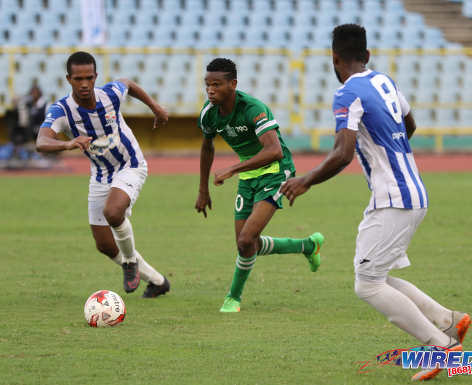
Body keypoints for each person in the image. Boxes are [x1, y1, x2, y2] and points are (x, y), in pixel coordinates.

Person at [280, 25, 471, 381]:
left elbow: (342, 153)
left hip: (395, 198)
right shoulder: (385, 82)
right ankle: (448, 320)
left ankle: (441, 346)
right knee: (373, 275)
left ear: (334, 58)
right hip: (410, 191)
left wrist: (305, 180)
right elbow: (409, 123)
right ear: (367, 56)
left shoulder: (346, 93)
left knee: (367, 284)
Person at [36, 51, 170, 298]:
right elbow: (41, 141)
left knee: (113, 212)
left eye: (89, 77)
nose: (84, 83)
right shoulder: (62, 110)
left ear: (96, 76)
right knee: (105, 245)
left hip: (130, 164)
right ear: (69, 79)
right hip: (100, 175)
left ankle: (130, 262)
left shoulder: (110, 95)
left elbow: (127, 84)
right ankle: (158, 281)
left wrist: (155, 106)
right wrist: (67, 144)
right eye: (78, 79)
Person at [195, 58, 324, 313]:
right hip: (249, 176)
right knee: (246, 245)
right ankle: (307, 245)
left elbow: (274, 151)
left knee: (246, 238)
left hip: (277, 173)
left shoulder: (253, 108)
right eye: (207, 84)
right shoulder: (209, 114)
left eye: (217, 85)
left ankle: (233, 298)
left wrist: (232, 168)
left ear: (233, 84)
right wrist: (203, 189)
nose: (210, 90)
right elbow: (207, 146)